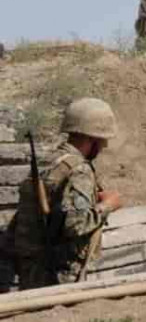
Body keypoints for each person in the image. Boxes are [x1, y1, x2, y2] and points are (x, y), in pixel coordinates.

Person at [12, 98, 123, 289]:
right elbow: (76, 225)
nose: (104, 146)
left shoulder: (49, 161)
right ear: (92, 139)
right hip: (60, 274)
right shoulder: (78, 170)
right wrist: (108, 205)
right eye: (102, 140)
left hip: (32, 269)